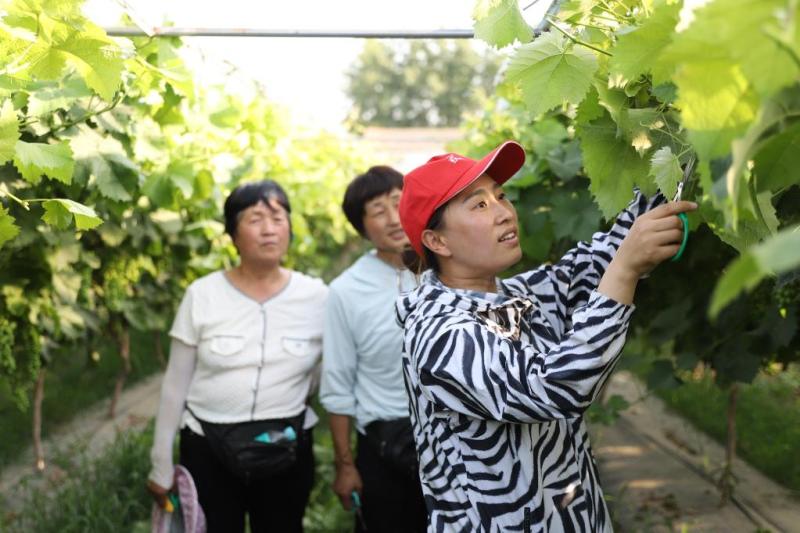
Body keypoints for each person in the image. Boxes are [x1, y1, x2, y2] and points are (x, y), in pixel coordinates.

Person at [395, 142, 698, 532]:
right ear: (437, 242)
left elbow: (609, 252)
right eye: (480, 205)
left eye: (500, 197)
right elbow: (555, 387)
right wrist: (624, 270)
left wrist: (677, 142)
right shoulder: (439, 335)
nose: (505, 213)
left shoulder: (521, 297)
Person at [146, 180, 328, 533]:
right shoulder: (202, 295)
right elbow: (174, 385)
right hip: (208, 448)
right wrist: (160, 463)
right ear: (232, 233)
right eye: (255, 219)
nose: (269, 230)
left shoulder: (317, 296)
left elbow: (321, 373)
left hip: (286, 447)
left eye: (278, 218)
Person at [320, 166, 427, 532]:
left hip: (455, 437)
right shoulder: (346, 291)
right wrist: (345, 466)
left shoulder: (449, 267)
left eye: (399, 203)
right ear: (362, 228)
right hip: (385, 447)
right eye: (378, 211)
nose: (394, 218)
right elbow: (337, 384)